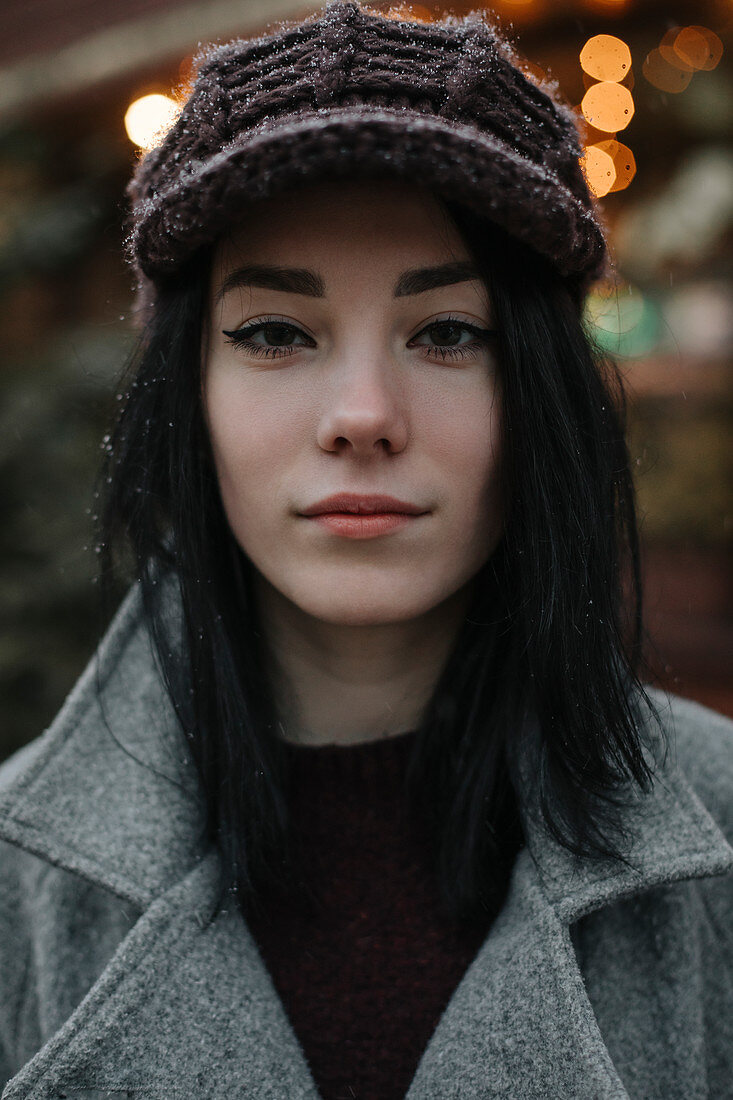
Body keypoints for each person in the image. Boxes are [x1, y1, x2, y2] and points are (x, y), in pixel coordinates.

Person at [0, 1, 731, 1097]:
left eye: (445, 331)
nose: (361, 413)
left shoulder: (718, 837)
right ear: (184, 394)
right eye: (274, 334)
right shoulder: (18, 878)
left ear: (537, 389)